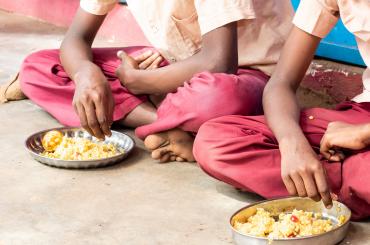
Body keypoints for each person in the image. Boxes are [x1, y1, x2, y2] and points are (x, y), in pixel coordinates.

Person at [17, 0, 293, 162]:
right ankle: (171, 126)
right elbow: (76, 38)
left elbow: (219, 63)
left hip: (246, 76)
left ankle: (169, 116)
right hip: (170, 67)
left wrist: (141, 82)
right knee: (40, 66)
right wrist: (85, 73)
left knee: (216, 96)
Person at [194, 0, 370, 220]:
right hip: (362, 112)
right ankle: (340, 180)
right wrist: (293, 145)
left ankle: (334, 182)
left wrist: (364, 133)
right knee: (215, 141)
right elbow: (281, 83)